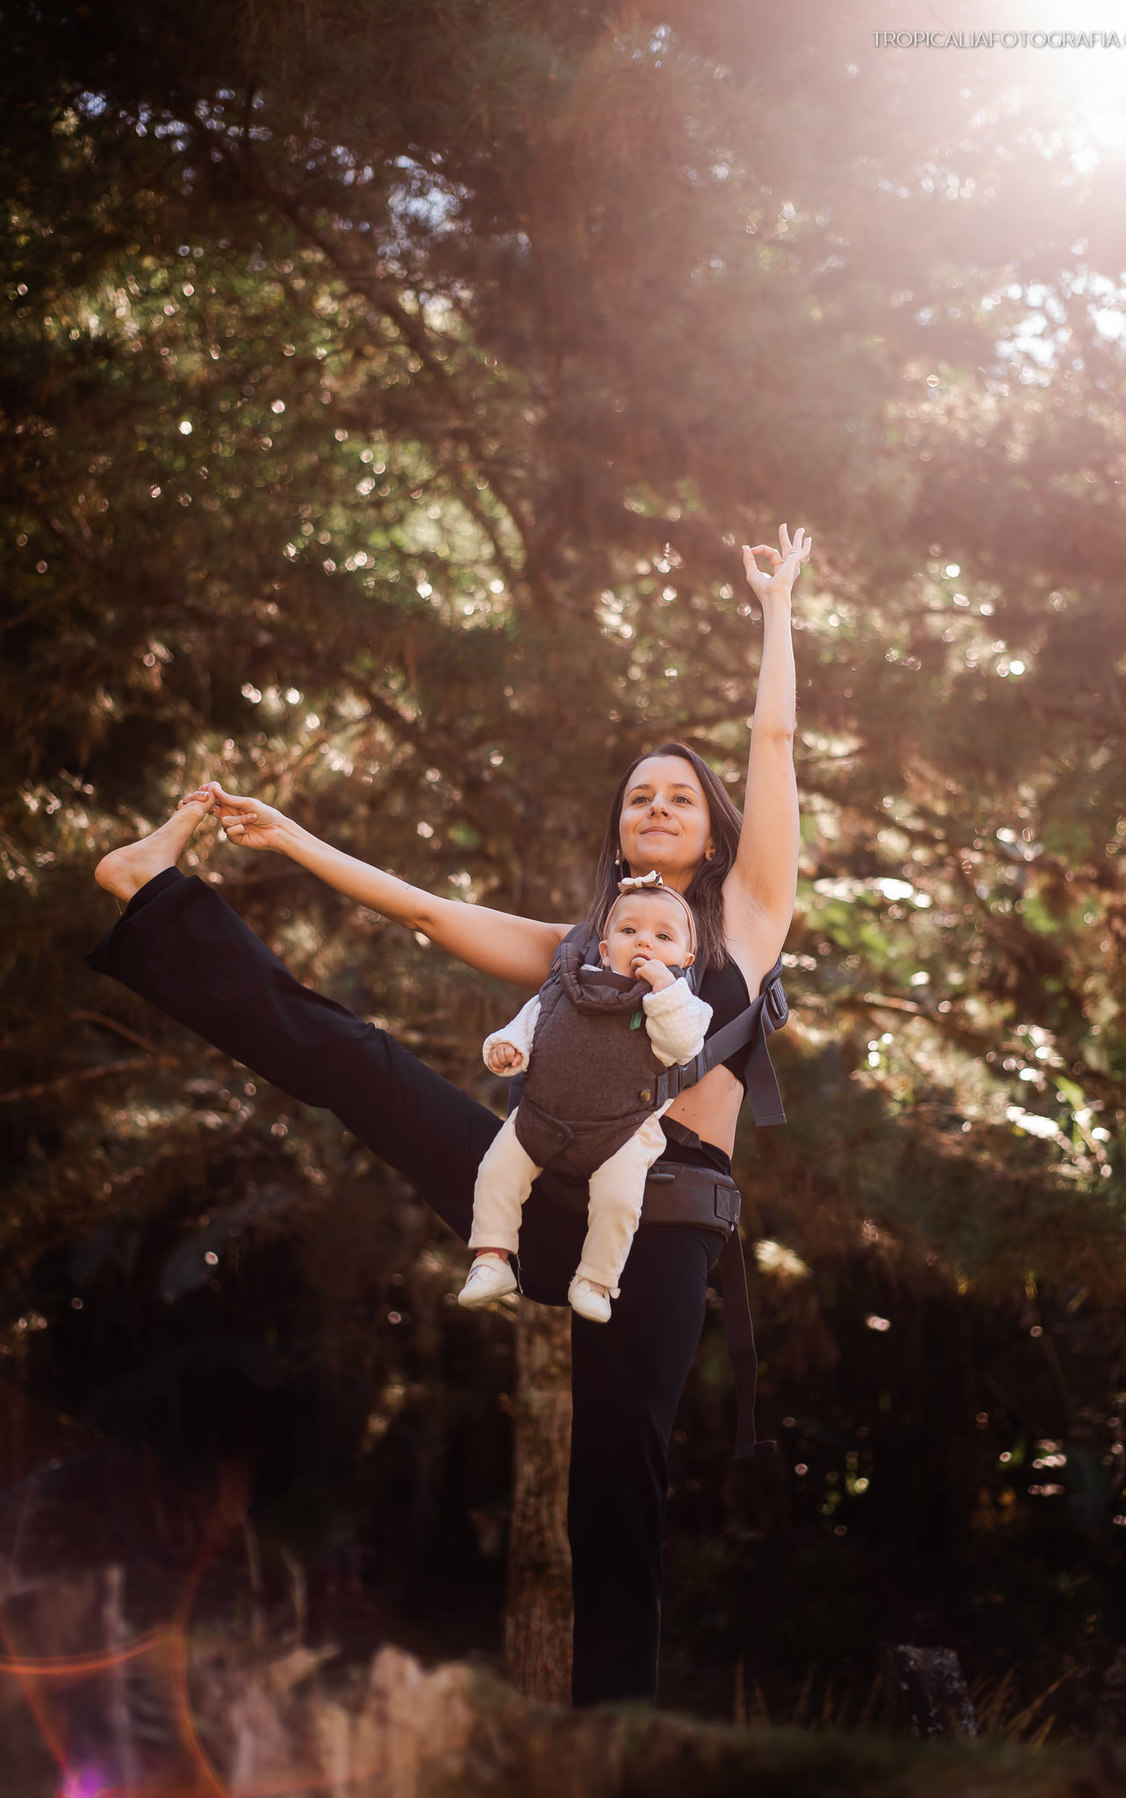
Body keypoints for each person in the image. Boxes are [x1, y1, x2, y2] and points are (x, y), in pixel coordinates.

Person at [88, 523, 810, 1706]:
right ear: (618, 831)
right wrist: (293, 838)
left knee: (615, 1479)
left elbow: (774, 740)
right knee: (358, 1060)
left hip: (659, 1229)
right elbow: (425, 913)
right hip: (535, 1195)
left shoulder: (746, 922)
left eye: (681, 795)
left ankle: (609, 1739)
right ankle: (150, 899)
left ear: (717, 827)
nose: (659, 805)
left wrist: (776, 607)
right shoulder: (572, 951)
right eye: (639, 797)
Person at [459, 878, 713, 1324]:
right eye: (629, 931)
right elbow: (532, 1021)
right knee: (496, 1171)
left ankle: (595, 1279)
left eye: (664, 937)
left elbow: (682, 1045)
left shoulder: (679, 1005)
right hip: (540, 1117)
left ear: (685, 960)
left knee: (619, 1200)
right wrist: (507, 1047)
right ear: (603, 948)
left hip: (621, 1131)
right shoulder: (567, 985)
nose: (645, 943)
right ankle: (492, 1258)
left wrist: (662, 987)